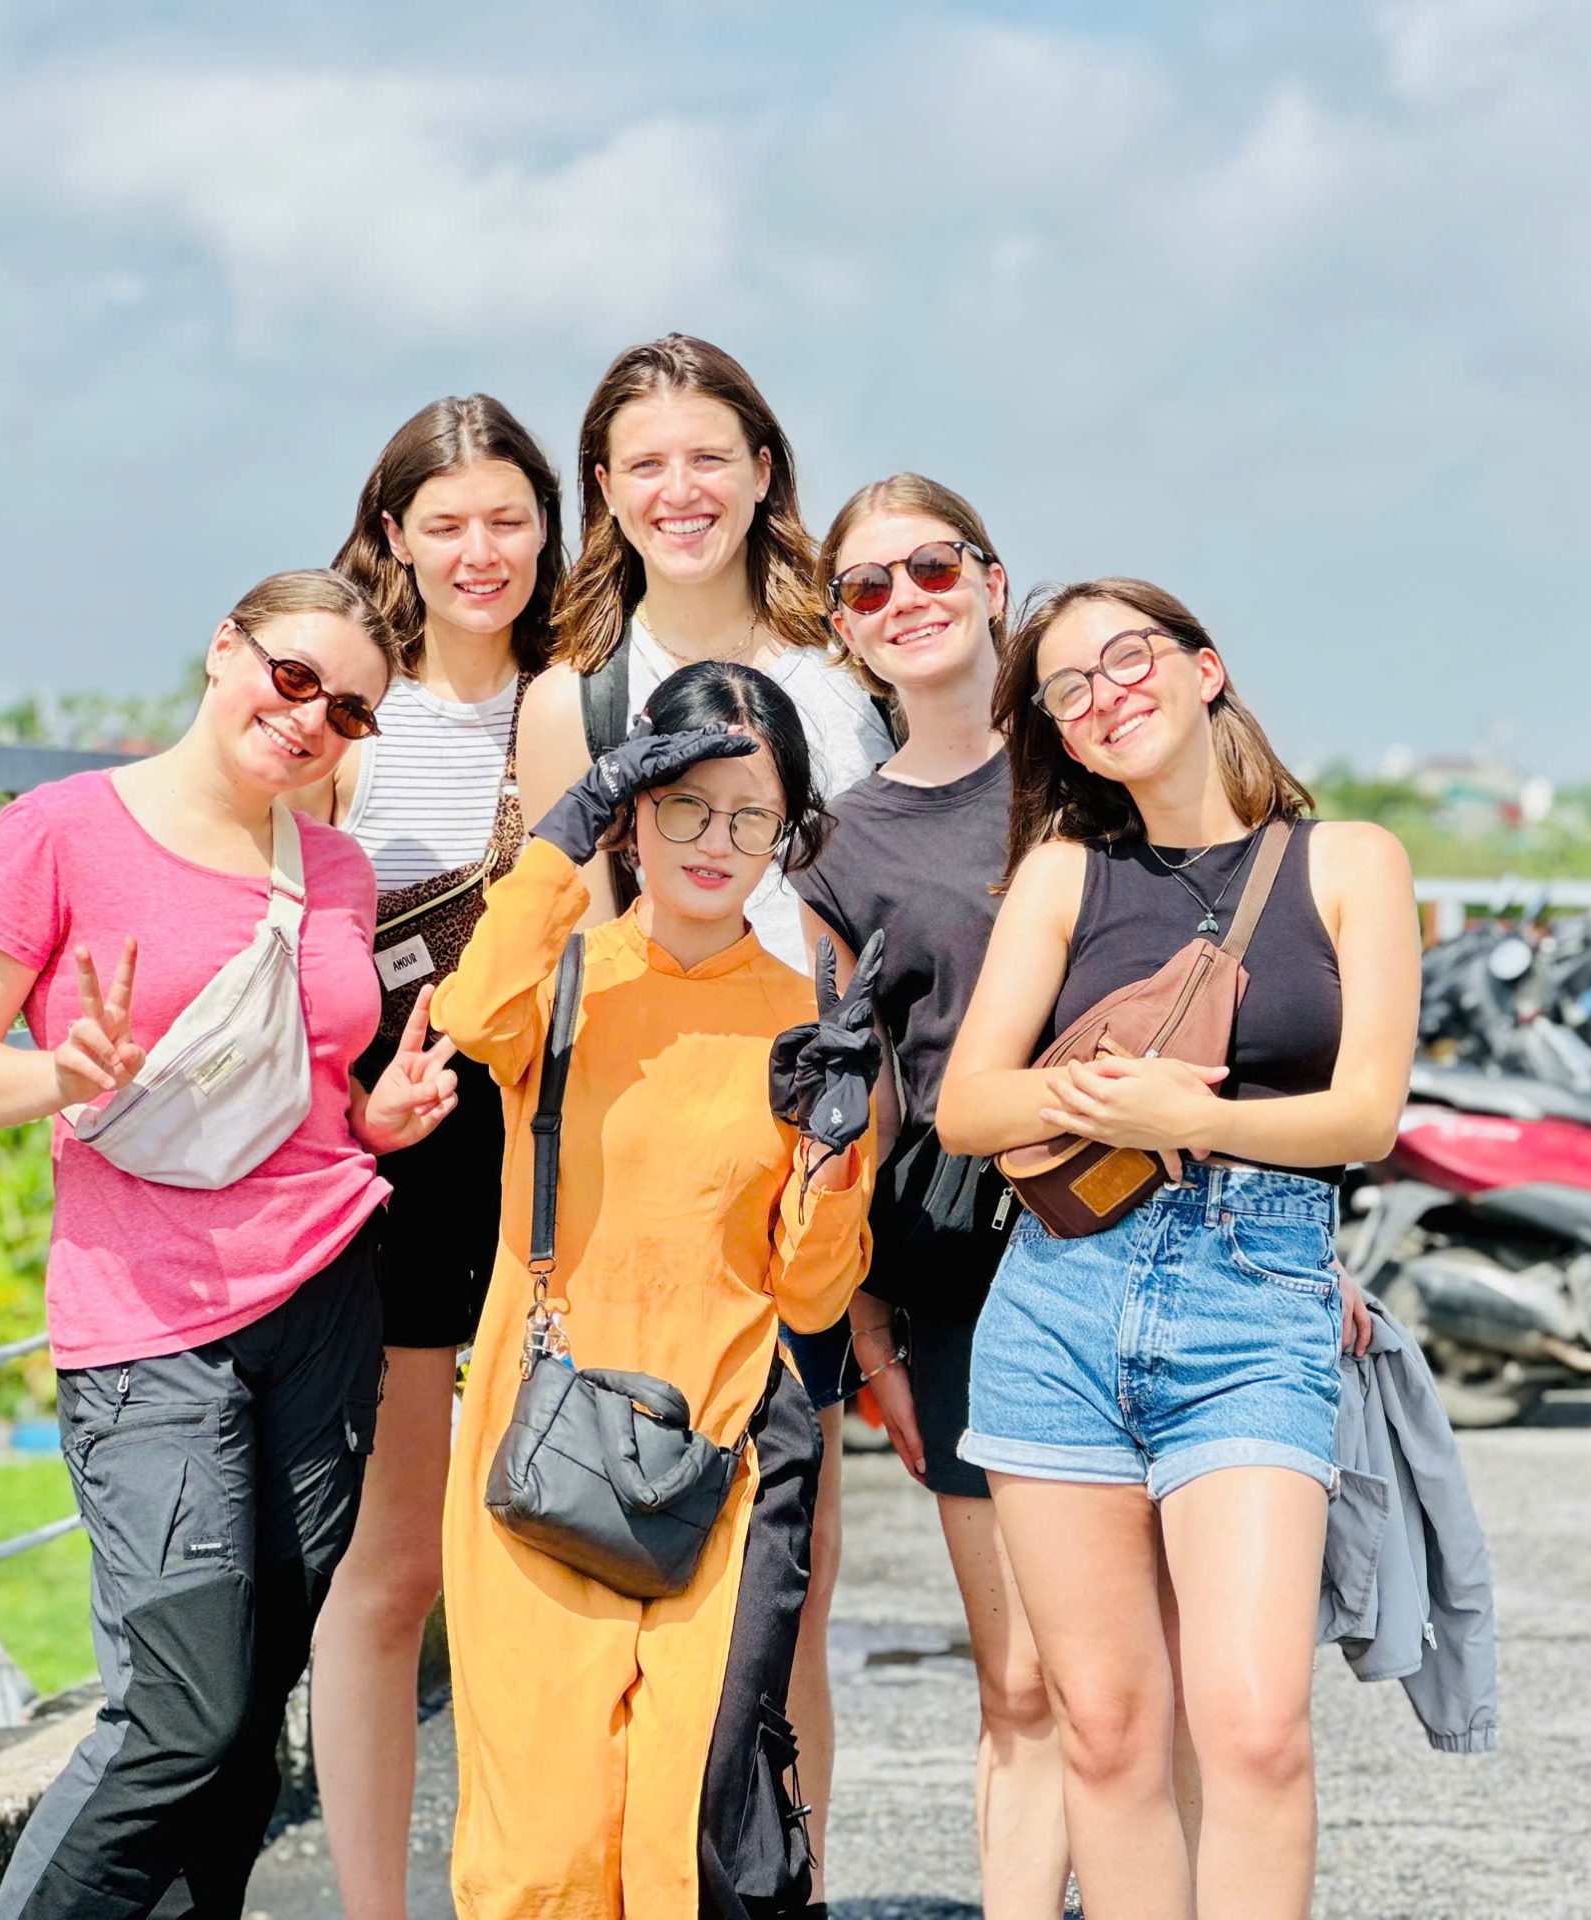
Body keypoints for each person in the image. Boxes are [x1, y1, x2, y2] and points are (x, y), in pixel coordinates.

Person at [0, 570, 460, 1920]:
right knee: (180, 1712)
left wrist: (374, 1119)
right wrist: (57, 1076)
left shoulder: (334, 869)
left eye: (349, 711)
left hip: (325, 1299)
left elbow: (306, 1085)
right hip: (147, 1320)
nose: (311, 719)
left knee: (251, 1713)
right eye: (293, 678)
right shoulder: (60, 830)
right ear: (224, 649)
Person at [936, 579, 1419, 1920]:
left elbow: (1366, 1117)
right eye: (1071, 688)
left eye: (1130, 657)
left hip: (1255, 1302)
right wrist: (1110, 1101)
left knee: (1255, 1726)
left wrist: (1189, 1119)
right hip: (1060, 1308)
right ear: (1063, 735)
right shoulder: (1064, 874)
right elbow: (968, 1107)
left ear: (1205, 669)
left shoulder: (1350, 863)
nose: (1108, 694)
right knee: (1103, 1729)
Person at [511, 336, 892, 1879]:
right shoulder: (575, 697)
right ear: (603, 489)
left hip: (820, 1168)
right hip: (646, 1210)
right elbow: (564, 964)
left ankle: (786, 1881)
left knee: (790, 1586)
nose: (681, 490)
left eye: (709, 457)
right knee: (617, 1581)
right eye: (645, 463)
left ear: (762, 471)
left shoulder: (848, 675)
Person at [430, 662, 875, 1920]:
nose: (715, 843)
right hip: (543, 1439)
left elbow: (811, 1294)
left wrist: (833, 1150)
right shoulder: (565, 982)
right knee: (544, 1848)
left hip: (723, 1454)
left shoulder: (801, 1016)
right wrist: (569, 822)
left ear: (785, 834)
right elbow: (471, 1007)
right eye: (684, 805)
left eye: (751, 816)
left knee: (689, 1837)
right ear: (634, 810)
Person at [789, 474, 1072, 1911]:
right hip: (967, 1277)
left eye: (932, 567)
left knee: (1148, 1676)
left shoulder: (1098, 766)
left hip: (1153, 1241)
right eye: (867, 586)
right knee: (1020, 1680)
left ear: (992, 579)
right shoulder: (839, 845)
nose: (905, 599)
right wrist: (871, 1327)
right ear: (842, 628)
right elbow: (861, 1099)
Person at [302, 394, 566, 1920]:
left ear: (549, 526)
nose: (481, 552)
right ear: (394, 533)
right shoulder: (352, 710)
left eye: (508, 519)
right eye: (448, 523)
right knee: (392, 1568)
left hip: (553, 1155)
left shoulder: (581, 692)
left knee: (552, 1547)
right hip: (389, 1160)